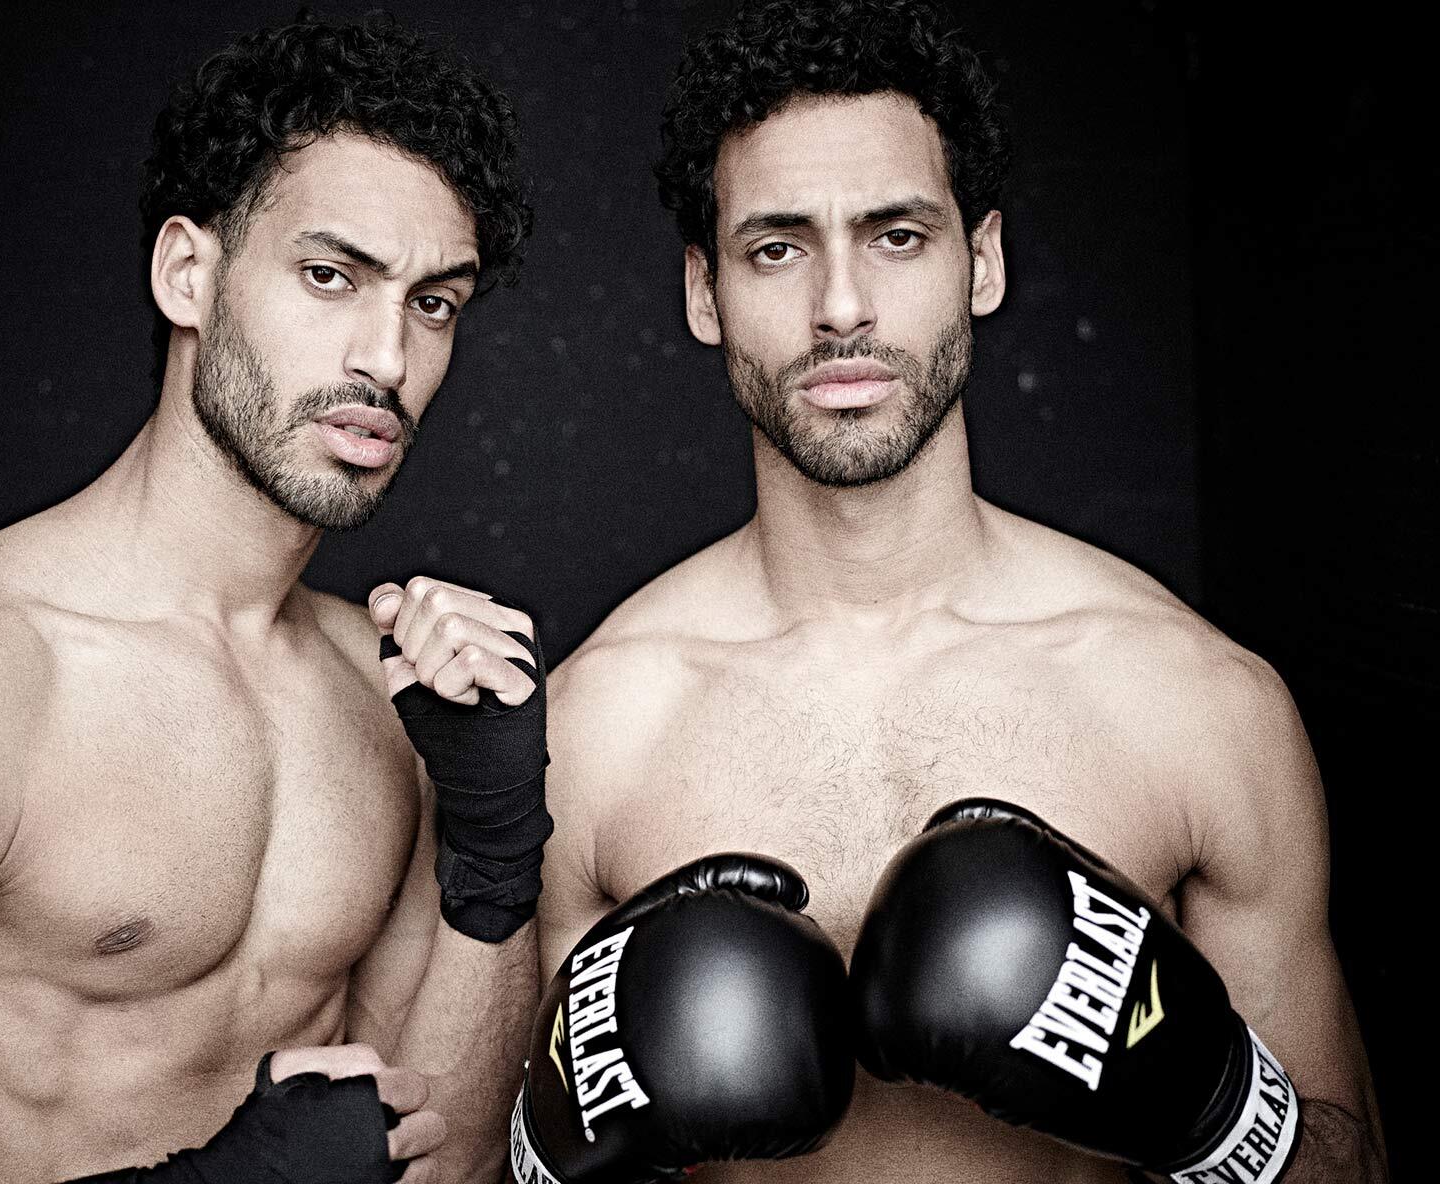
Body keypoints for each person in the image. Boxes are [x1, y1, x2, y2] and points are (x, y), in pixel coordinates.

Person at [537, 1, 1386, 1179]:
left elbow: (1353, 1164)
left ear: (981, 261)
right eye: (777, 247)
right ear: (703, 290)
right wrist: (547, 1143)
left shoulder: (1196, 701)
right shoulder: (592, 734)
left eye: (897, 235)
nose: (841, 305)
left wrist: (1209, 1099)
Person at [0, 16, 545, 1184]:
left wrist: (497, 853)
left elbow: (444, 1163)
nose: (386, 357)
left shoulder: (384, 689)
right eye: (330, 276)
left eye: (434, 303)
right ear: (187, 275)